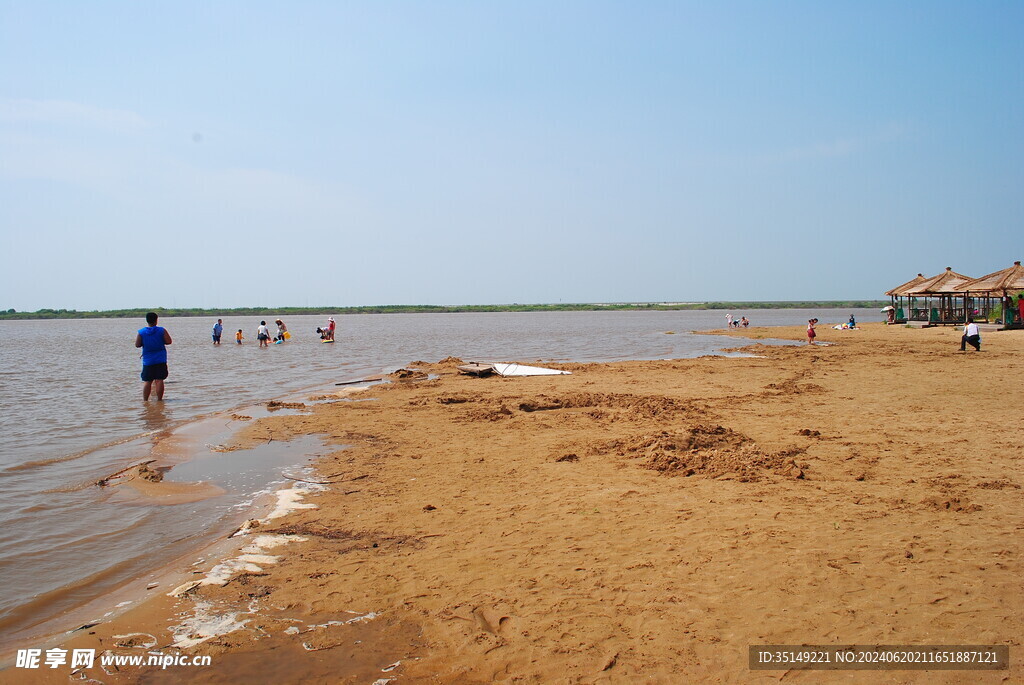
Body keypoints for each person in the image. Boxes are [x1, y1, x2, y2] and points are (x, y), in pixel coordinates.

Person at [135, 312, 172, 401]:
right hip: (160, 359)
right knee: (159, 380)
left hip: (148, 361)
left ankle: (145, 401)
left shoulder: (141, 332)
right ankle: (159, 400)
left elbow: (137, 344)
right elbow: (169, 341)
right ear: (156, 320)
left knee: (147, 381)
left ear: (147, 320)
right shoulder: (162, 330)